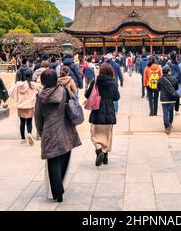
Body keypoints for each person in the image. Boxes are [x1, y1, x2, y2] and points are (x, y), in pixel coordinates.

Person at [34, 69, 82, 203]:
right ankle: (60, 185)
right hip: (66, 129)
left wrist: (41, 133)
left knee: (53, 161)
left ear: (43, 81)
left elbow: (38, 118)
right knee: (64, 157)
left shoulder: (40, 97)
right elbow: (73, 106)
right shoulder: (65, 91)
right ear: (56, 79)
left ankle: (57, 192)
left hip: (49, 132)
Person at [85, 63, 120, 167]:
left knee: (94, 134)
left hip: (97, 111)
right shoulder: (113, 82)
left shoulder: (95, 81)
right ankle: (105, 155)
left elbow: (87, 95)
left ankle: (99, 149)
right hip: (109, 111)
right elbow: (116, 97)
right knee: (107, 135)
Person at [9, 69, 42, 145]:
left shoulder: (18, 85)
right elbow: (41, 90)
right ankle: (29, 133)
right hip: (30, 106)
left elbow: (10, 92)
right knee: (29, 122)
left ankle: (23, 138)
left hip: (21, 106)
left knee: (22, 122)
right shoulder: (34, 85)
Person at [157, 65, 179, 134]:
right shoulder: (174, 78)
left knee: (165, 112)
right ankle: (170, 123)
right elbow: (176, 88)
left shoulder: (160, 79)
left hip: (164, 99)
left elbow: (159, 89)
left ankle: (167, 126)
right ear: (169, 71)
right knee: (171, 111)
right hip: (172, 98)